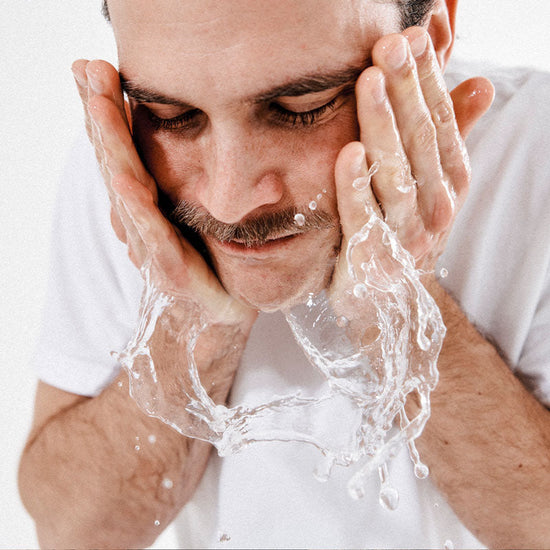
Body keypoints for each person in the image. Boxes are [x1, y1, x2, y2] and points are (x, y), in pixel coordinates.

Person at [18, 0, 550, 548]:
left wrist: (392, 298)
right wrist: (194, 327)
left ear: (431, 44)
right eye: (175, 115)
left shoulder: (538, 152)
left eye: (300, 106)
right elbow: (71, 532)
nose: (228, 202)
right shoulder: (133, 170)